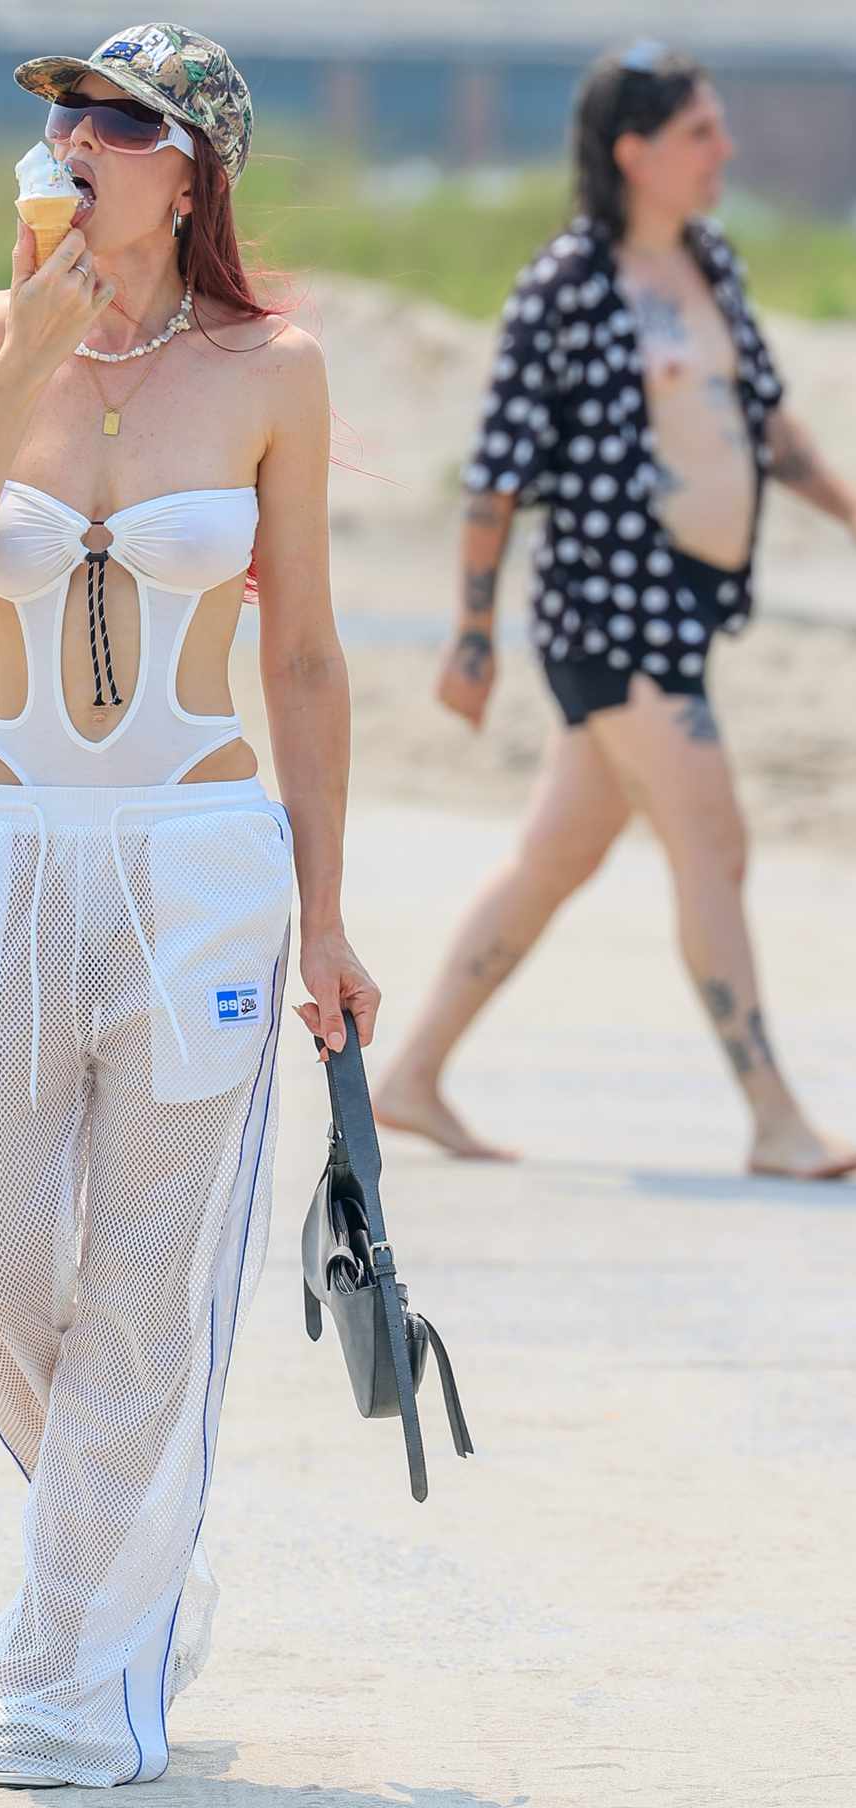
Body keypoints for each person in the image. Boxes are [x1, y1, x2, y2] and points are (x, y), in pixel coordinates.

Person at [0, 24, 379, 1790]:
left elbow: (306, 655)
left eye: (117, 120)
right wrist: (21, 353)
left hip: (199, 866)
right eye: (64, 116)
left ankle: (60, 1686)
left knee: (152, 1297)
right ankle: (139, 1543)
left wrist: (324, 914)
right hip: (5, 854)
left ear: (192, 170)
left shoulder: (272, 368)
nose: (77, 140)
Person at [373, 42, 856, 1180]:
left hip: (683, 609)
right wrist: (472, 632)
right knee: (714, 840)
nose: (724, 149)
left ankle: (412, 1075)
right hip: (604, 618)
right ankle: (775, 1116)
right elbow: (495, 474)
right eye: (702, 132)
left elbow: (771, 427)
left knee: (556, 857)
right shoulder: (567, 286)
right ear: (633, 151)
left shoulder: (711, 262)